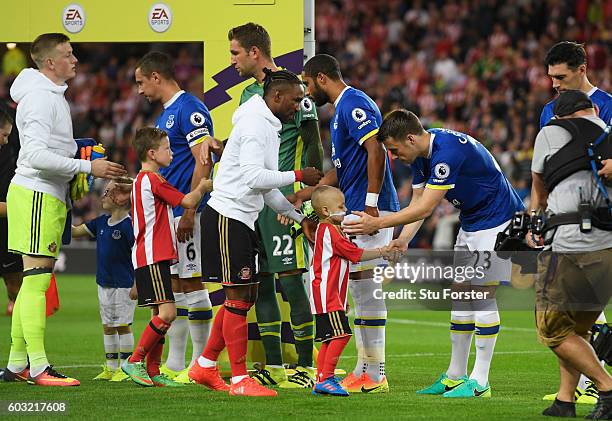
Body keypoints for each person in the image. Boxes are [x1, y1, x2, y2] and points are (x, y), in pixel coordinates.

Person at [343, 109, 524, 398]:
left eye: (394, 149)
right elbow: (418, 202)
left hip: (498, 220)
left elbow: (426, 208)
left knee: (479, 293)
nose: (393, 156)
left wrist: (377, 223)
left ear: (411, 138)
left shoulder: (447, 152)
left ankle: (480, 381)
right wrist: (402, 240)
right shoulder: (420, 156)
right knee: (461, 291)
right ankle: (455, 375)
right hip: (473, 218)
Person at [187, 70, 321, 397]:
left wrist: (298, 216)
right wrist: (300, 173)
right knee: (238, 299)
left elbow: (266, 189)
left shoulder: (268, 124)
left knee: (242, 297)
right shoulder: (255, 124)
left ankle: (205, 365)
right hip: (228, 217)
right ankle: (238, 380)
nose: (299, 106)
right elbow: (252, 177)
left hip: (241, 218)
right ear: (276, 97)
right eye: (294, 100)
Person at [3, 33, 126, 386]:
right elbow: (35, 156)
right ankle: (39, 368)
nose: (74, 60)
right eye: (67, 54)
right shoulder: (41, 99)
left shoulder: (50, 96)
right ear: (49, 63)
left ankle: (17, 364)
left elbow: (55, 147)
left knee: (31, 284)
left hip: (44, 195)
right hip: (38, 194)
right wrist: (88, 168)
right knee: (37, 282)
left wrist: (81, 150)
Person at [226, 22, 323, 388]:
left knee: (292, 283)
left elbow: (314, 151)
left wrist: (304, 193)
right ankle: (274, 366)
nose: (232, 60)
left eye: (235, 53)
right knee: (261, 284)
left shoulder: (297, 94)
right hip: (256, 202)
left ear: (254, 52)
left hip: (284, 199)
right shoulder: (248, 96)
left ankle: (305, 366)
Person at [301, 53, 400, 394]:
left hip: (369, 209)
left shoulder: (353, 104)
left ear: (322, 78)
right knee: (357, 289)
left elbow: (377, 151)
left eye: (308, 82)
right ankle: (364, 367)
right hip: (354, 209)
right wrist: (307, 198)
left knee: (366, 287)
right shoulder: (339, 112)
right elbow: (342, 172)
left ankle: (376, 372)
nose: (307, 89)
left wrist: (371, 207)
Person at [537, 41, 612, 405]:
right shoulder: (549, 112)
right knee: (575, 324)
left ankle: (600, 387)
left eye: (561, 76)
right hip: (567, 228)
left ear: (582, 69)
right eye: (551, 77)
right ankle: (567, 396)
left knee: (560, 323)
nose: (555, 85)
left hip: (601, 227)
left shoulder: (609, 107)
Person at [135, 51, 215, 383]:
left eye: (141, 82)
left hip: (187, 211)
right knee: (177, 286)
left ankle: (199, 363)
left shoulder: (189, 109)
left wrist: (190, 210)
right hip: (174, 211)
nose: (140, 90)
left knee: (193, 282)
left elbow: (204, 159)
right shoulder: (168, 114)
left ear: (157, 77)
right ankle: (175, 361)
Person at [121, 127, 212, 387]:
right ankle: (135, 360)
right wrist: (204, 186)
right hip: (153, 254)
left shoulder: (140, 180)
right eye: (167, 148)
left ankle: (153, 370)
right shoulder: (153, 180)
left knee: (158, 314)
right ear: (152, 153)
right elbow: (186, 201)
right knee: (169, 313)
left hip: (149, 254)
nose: (171, 153)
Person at [309, 186, 391, 396]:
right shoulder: (329, 231)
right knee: (342, 335)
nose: (345, 210)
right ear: (326, 211)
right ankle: (326, 378)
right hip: (327, 293)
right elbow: (354, 254)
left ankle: (321, 379)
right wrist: (383, 251)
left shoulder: (327, 230)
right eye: (341, 206)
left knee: (330, 336)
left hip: (326, 293)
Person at [71, 181, 135, 382]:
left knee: (122, 325)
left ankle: (125, 368)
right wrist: (62, 206)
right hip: (104, 282)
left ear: (119, 198)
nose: (102, 196)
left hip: (124, 283)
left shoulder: (128, 225)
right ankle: (110, 367)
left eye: (107, 193)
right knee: (107, 325)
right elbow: (74, 231)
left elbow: (138, 254)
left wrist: (138, 282)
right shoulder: (100, 222)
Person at [0, 106, 20, 316]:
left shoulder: (9, 152)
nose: (6, 140)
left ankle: (14, 301)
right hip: (8, 212)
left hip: (6, 224)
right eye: (4, 134)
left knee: (13, 273)